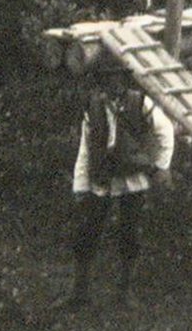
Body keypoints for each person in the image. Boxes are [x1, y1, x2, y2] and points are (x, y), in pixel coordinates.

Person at [65, 76, 175, 309]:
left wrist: (161, 166)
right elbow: (86, 148)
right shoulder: (93, 107)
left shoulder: (140, 102)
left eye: (114, 80)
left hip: (132, 178)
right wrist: (80, 185)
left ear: (123, 81)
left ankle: (125, 293)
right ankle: (80, 292)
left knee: (130, 233)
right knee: (87, 231)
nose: (109, 88)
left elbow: (166, 132)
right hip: (103, 177)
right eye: (103, 81)